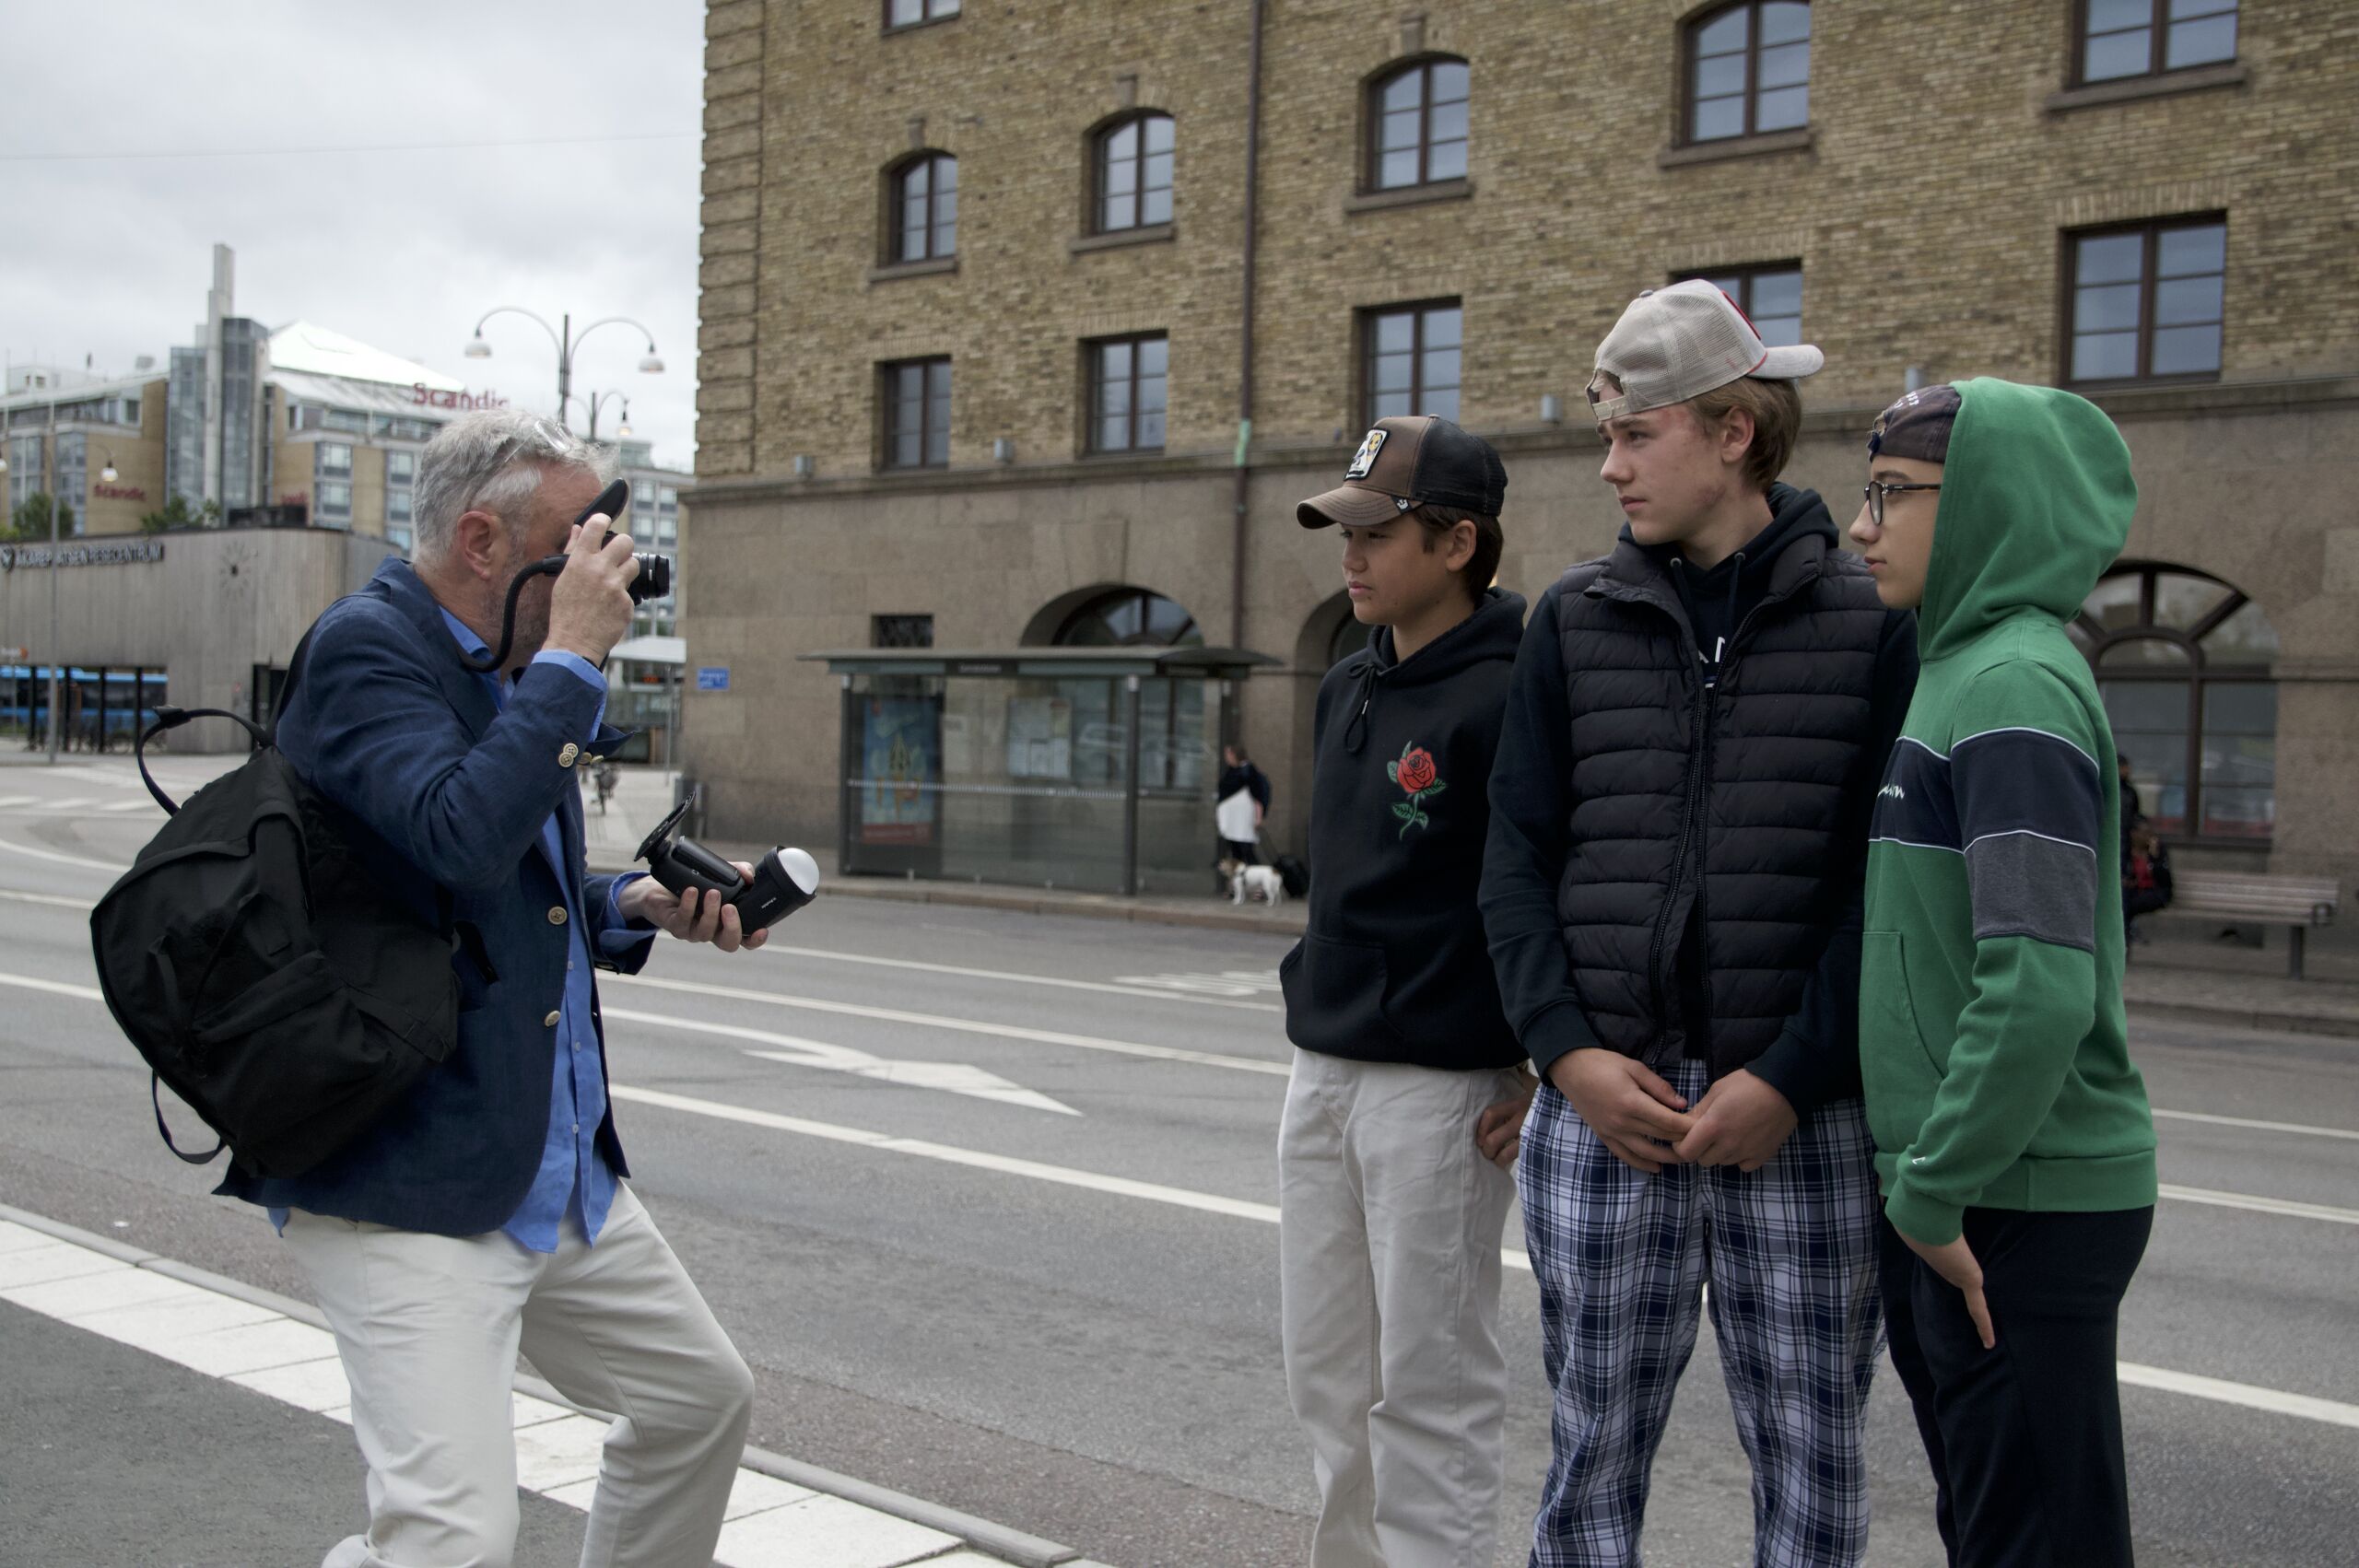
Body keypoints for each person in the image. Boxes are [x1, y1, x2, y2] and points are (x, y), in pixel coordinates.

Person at [221, 409, 762, 1568]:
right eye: (576, 541)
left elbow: (508, 878)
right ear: (480, 541)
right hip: (407, 1167)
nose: (604, 563)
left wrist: (634, 905)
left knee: (697, 1403)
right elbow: (456, 836)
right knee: (454, 1536)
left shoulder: (513, 667)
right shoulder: (367, 650)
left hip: (551, 1159)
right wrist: (571, 662)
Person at [1480, 280, 1917, 1566]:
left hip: (1805, 1116)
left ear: (1734, 431)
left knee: (1813, 1467)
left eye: (1637, 432)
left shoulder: (1869, 622)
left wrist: (1791, 1072)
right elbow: (1515, 854)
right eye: (1608, 434)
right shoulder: (1576, 615)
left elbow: (1886, 889)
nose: (1609, 464)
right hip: (1604, 1105)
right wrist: (1563, 1052)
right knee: (1589, 1458)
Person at [1846, 380, 2158, 1567]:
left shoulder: (2011, 685)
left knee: (2034, 1542)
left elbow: (2034, 979)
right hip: (1976, 1187)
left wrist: (1931, 1189)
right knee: (2000, 1527)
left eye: (1891, 495)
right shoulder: (1957, 662)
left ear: (1982, 502)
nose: (1862, 526)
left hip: (2010, 1197)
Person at [1279, 414, 1536, 1568]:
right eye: (1346, 528)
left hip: (1440, 1087)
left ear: (1456, 542)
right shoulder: (1348, 683)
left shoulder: (1513, 692)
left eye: (1378, 531)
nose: (1352, 553)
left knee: (1428, 1386)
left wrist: (1537, 1058)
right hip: (1322, 1065)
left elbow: (1542, 882)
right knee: (1329, 1374)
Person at [1216, 741, 1273, 872]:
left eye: (1228, 754)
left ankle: (1258, 885)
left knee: (1246, 850)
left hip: (1243, 819)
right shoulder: (1231, 772)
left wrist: (1259, 817)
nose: (1227, 758)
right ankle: (1237, 887)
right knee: (1236, 853)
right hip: (1232, 819)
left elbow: (1258, 796)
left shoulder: (1249, 772)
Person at [2123, 822, 2173, 942]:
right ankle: (2127, 933)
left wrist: (2154, 858)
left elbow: (2165, 881)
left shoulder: (2158, 852)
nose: (2148, 837)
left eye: (2150, 833)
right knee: (2125, 900)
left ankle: (2127, 932)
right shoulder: (2125, 852)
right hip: (2133, 891)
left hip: (2155, 892)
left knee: (2128, 905)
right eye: (2144, 833)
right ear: (2134, 834)